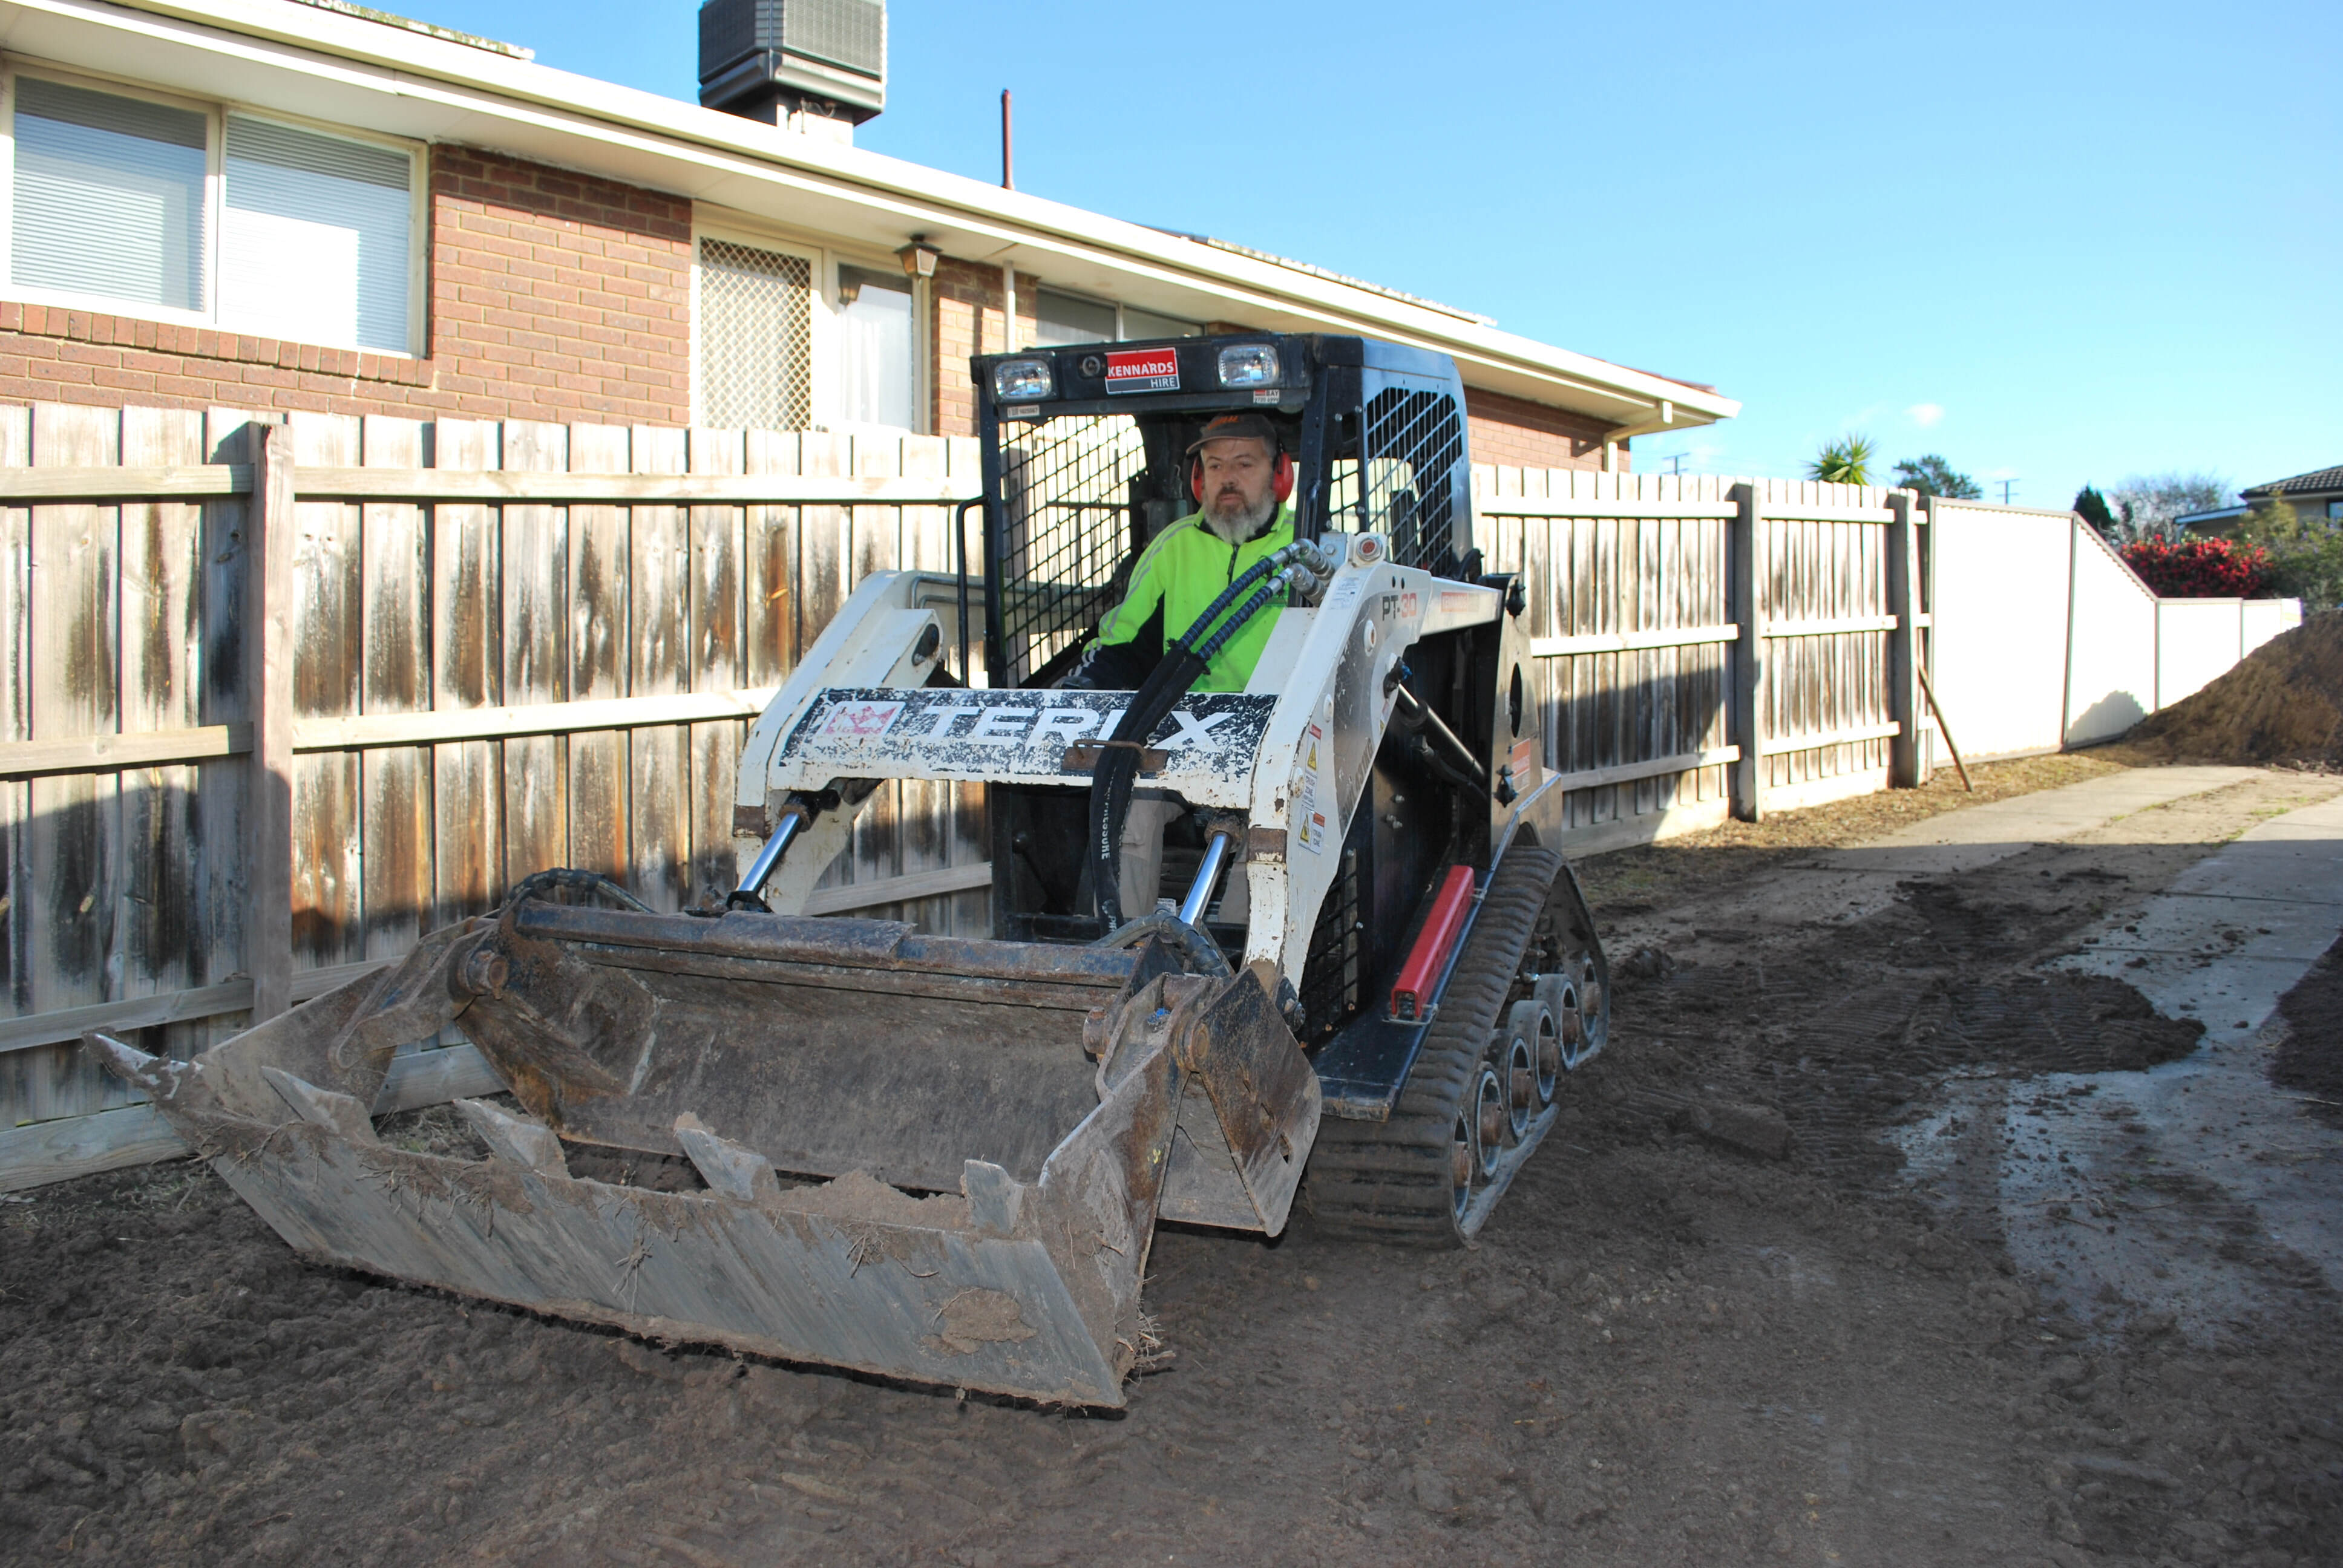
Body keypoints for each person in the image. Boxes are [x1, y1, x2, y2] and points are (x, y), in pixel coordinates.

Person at [1063, 411, 1296, 923]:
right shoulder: (1173, 547)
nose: (1227, 478)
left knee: (1274, 835)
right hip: (1179, 733)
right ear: (1198, 480)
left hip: (1276, 740)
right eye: (1214, 466)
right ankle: (1121, 952)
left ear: (1280, 475)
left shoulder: (1309, 552)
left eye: (1244, 463)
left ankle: (1238, 971)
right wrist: (1081, 690)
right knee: (1127, 805)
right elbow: (1122, 644)